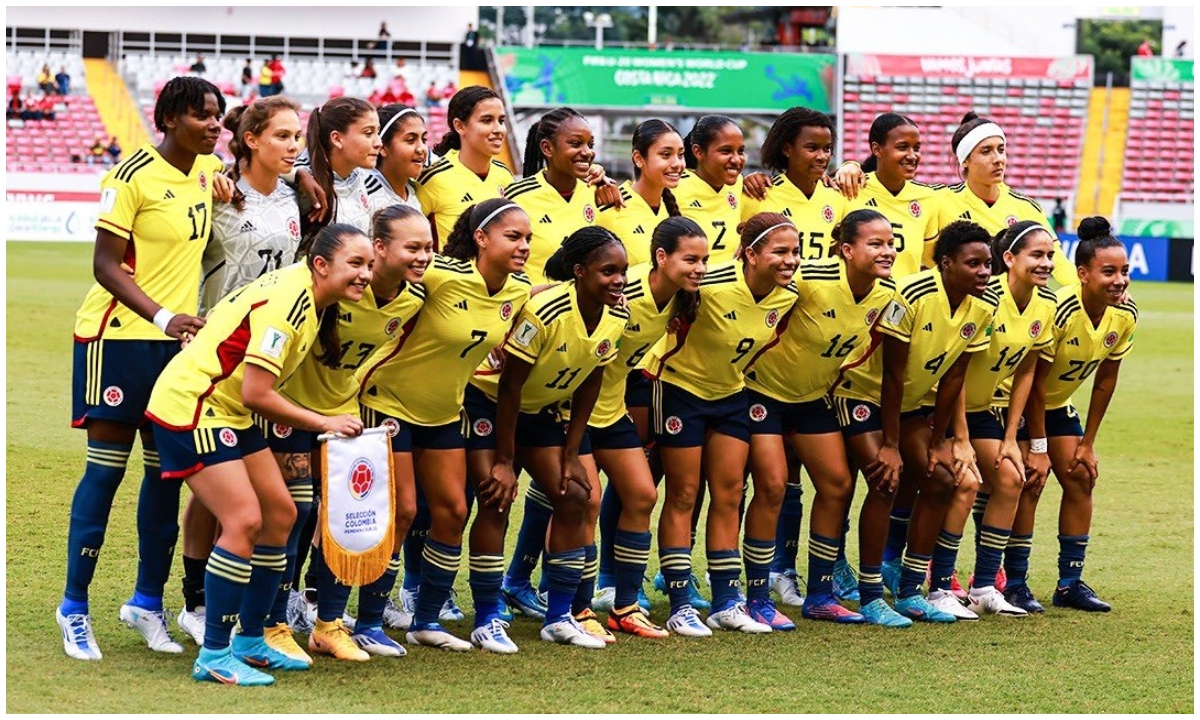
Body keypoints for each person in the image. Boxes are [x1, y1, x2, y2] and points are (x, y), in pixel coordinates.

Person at [145, 224, 372, 685]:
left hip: (224, 410)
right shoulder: (291, 302)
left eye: (369, 264)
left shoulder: (307, 296)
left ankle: (250, 640)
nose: (365, 274)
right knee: (245, 520)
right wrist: (325, 421)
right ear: (321, 264)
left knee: (280, 514)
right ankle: (213, 652)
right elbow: (255, 392)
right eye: (356, 264)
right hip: (193, 405)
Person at [55, 76, 225, 662]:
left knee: (165, 477)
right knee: (105, 474)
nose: (215, 125)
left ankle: (146, 602)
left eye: (219, 116)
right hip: (119, 338)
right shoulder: (128, 178)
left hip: (174, 346)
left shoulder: (206, 174)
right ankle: (74, 607)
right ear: (172, 117)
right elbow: (105, 266)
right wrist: (164, 316)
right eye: (205, 116)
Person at [355, 198, 532, 652]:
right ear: (481, 238)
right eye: (513, 236)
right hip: (387, 402)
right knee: (403, 511)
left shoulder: (516, 293)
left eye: (528, 238)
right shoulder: (440, 276)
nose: (524, 246)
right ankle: (369, 622)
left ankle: (426, 620)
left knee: (453, 511)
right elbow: (377, 285)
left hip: (445, 412)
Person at [169, 97, 305, 647]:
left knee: (276, 484)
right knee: (212, 488)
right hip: (217, 358)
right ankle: (195, 600)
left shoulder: (300, 196)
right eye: (283, 136)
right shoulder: (219, 193)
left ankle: (263, 606)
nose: (294, 145)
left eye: (298, 136)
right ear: (250, 139)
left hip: (271, 355)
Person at [277, 205, 431, 661]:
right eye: (413, 247)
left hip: (345, 418)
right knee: (295, 516)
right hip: (290, 413)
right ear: (379, 247)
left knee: (345, 519)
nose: (424, 257)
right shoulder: (330, 289)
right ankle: (275, 622)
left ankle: (329, 624)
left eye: (428, 248)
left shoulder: (414, 299)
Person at [468, 227, 630, 649]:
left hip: (541, 413)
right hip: (491, 405)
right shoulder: (545, 309)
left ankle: (558, 617)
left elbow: (591, 380)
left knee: (575, 495)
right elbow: (509, 387)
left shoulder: (617, 314)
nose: (618, 280)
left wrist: (572, 453)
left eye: (623, 271)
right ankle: (486, 617)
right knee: (495, 498)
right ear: (579, 272)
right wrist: (505, 461)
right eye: (607, 271)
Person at [644, 212, 799, 636]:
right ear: (749, 254)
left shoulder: (787, 298)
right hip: (679, 391)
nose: (791, 261)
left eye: (795, 252)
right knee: (684, 493)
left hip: (731, 396)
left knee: (730, 492)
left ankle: (727, 601)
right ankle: (679, 604)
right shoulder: (705, 282)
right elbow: (649, 288)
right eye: (780, 252)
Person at [836, 220, 997, 623]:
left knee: (941, 480)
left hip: (910, 403)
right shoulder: (912, 294)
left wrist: (941, 439)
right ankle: (872, 594)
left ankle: (910, 590)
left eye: (987, 264)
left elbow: (955, 375)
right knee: (886, 480)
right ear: (945, 263)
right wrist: (891, 445)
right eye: (973, 263)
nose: (983, 272)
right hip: (859, 394)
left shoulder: (984, 305)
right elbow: (890, 373)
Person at [744, 208, 897, 627]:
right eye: (876, 244)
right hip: (761, 393)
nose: (888, 251)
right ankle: (757, 597)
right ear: (846, 250)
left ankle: (820, 595)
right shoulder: (809, 279)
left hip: (813, 398)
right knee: (774, 486)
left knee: (837, 484)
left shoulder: (887, 295)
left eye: (891, 243)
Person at [589, 217, 708, 636]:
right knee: (580, 501)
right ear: (661, 257)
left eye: (704, 260)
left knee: (642, 495)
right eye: (690, 259)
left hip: (612, 406)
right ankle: (573, 609)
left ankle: (625, 608)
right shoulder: (625, 291)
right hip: (570, 408)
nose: (700, 268)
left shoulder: (679, 299)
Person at [1014, 217, 1137, 613]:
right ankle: (1014, 582)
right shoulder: (1060, 309)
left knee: (1081, 477)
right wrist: (1038, 447)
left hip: (1057, 407)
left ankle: (1069, 584)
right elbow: (1033, 382)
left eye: (1124, 272)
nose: (1119, 281)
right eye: (1109, 272)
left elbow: (1105, 381)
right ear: (1083, 274)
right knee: (1031, 482)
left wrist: (1087, 443)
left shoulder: (1126, 315)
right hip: (1017, 405)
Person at [958, 220, 1059, 617]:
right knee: (949, 487)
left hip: (988, 413)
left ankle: (984, 586)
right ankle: (927, 582)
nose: (1046, 263)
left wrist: (1009, 436)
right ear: (1009, 258)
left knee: (1011, 478)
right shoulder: (985, 298)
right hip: (946, 407)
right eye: (1036, 255)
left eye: (1050, 255)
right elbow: (956, 369)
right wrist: (959, 435)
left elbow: (1027, 372)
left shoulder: (1046, 305)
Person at [505, 107, 601, 284]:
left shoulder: (596, 192)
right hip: (533, 308)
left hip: (582, 309)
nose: (587, 152)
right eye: (575, 143)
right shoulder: (517, 198)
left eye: (590, 144)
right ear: (548, 148)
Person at [740, 107, 847, 262]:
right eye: (812, 148)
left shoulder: (837, 197)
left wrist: (852, 165)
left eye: (827, 148)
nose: (822, 157)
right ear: (787, 149)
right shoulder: (759, 194)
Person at [417, 86, 514, 246]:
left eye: (501, 120)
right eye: (487, 120)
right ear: (460, 126)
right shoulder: (433, 178)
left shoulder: (504, 175)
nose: (498, 129)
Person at [595, 119, 685, 266]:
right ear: (638, 159)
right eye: (666, 154)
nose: (677, 164)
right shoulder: (610, 207)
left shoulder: (674, 209)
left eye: (680, 155)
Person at [302, 96, 381, 239]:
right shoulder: (304, 183)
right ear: (337, 139)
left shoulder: (366, 180)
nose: (378, 143)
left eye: (378, 132)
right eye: (368, 133)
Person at [675, 115, 748, 266]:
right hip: (692, 284)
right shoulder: (674, 187)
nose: (736, 159)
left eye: (740, 151)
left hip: (728, 285)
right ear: (699, 152)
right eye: (726, 151)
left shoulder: (740, 184)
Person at [365, 104, 427, 214]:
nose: (421, 148)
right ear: (382, 147)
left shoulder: (415, 191)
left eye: (424, 139)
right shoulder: (366, 196)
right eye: (410, 140)